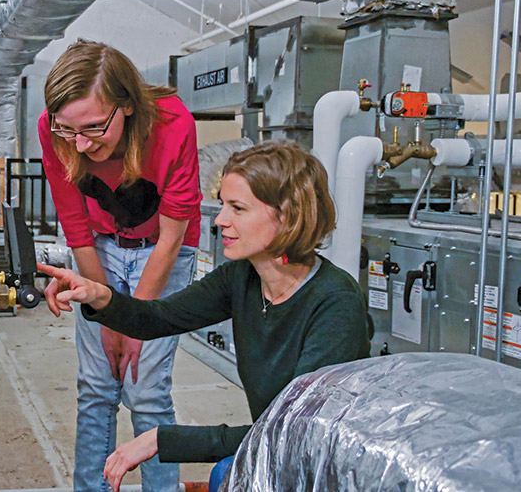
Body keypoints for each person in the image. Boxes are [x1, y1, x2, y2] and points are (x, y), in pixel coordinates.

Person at [38, 141, 372, 492]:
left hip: (324, 470)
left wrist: (161, 439)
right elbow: (159, 318)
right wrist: (100, 295)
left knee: (225, 474)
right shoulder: (243, 278)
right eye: (223, 204)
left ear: (288, 215)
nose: (221, 220)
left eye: (238, 208)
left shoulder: (335, 302)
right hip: (278, 454)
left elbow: (296, 433)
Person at [38, 39, 202, 492]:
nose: (82, 144)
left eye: (93, 127)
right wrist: (107, 316)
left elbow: (171, 235)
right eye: (68, 130)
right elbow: (76, 227)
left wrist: (133, 323)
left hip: (163, 249)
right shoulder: (55, 131)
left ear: (126, 106)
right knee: (96, 385)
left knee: (145, 389)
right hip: (99, 247)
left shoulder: (173, 123)